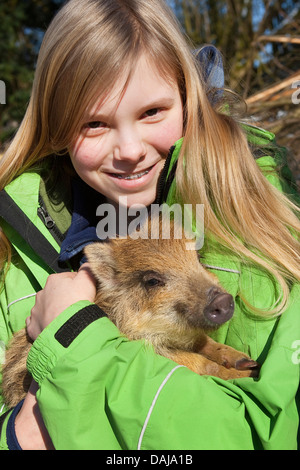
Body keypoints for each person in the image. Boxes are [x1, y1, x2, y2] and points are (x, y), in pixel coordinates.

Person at [0, 0, 299, 451]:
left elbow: (264, 433)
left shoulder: (260, 216)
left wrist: (73, 348)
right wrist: (14, 436)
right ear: (59, 127)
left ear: (187, 97)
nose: (130, 149)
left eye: (152, 112)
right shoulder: (12, 240)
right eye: (95, 123)